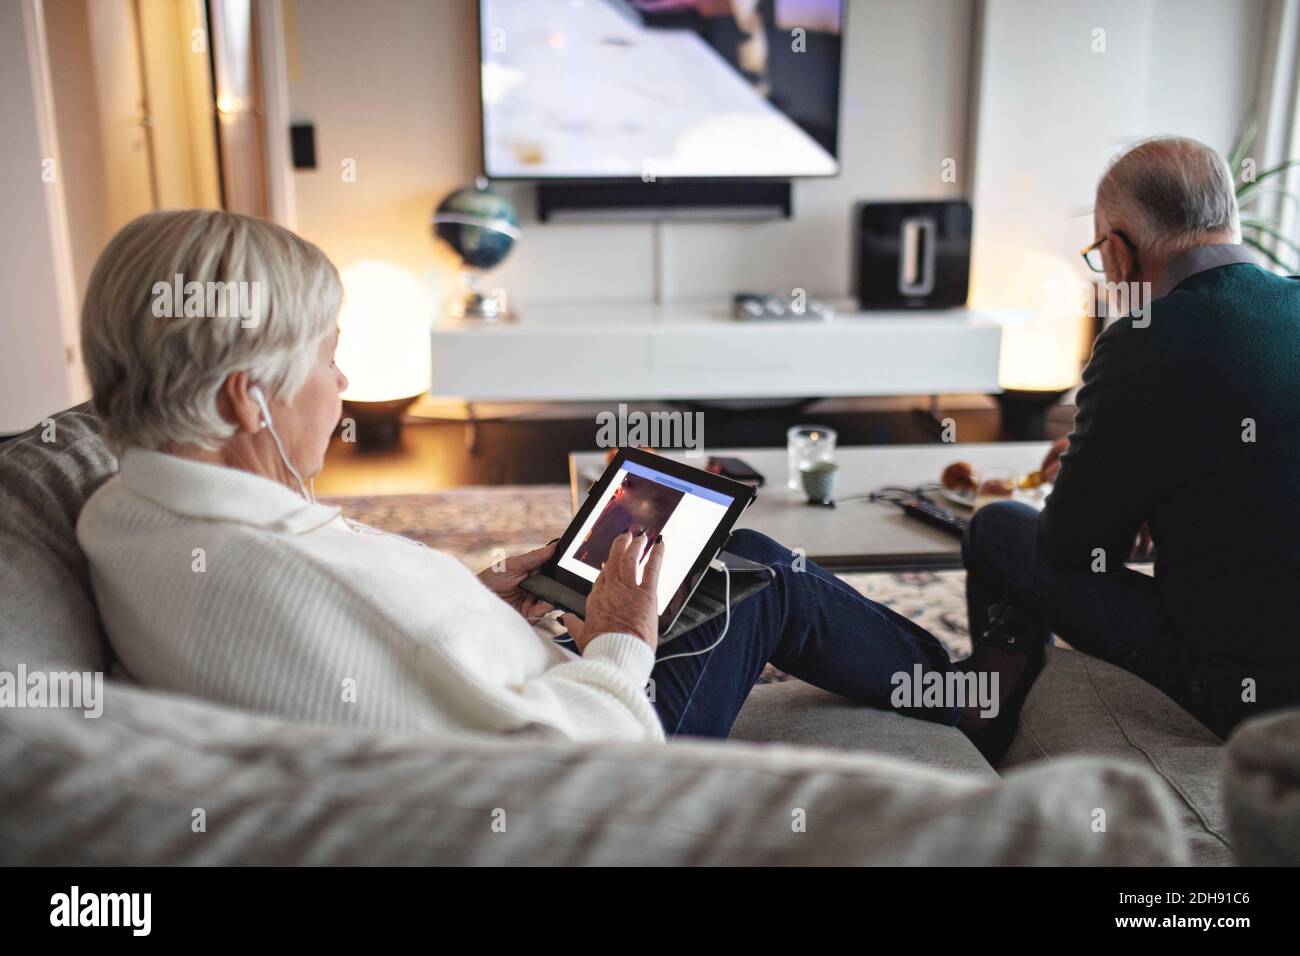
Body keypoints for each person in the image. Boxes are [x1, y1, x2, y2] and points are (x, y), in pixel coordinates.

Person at [76, 209, 957, 745]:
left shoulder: (122, 507)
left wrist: (476, 602)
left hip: (518, 679)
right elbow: (597, 772)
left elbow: (394, 654)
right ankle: (960, 691)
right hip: (612, 754)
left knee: (713, 566)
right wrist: (619, 636)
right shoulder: (303, 587)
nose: (342, 385)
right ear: (246, 401)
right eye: (329, 358)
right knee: (758, 573)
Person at [963, 136, 1300, 739]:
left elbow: (1070, 547)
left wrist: (1104, 482)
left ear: (1118, 252)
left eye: (1098, 253)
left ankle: (989, 720)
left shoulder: (1143, 338)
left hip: (1233, 690)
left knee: (996, 526)